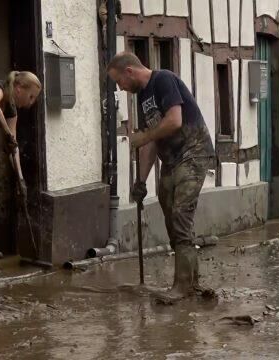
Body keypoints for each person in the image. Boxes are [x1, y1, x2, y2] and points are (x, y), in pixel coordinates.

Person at [107, 52, 216, 301]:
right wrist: (141, 181)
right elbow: (151, 142)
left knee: (180, 215)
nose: (121, 88)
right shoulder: (143, 96)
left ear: (129, 72)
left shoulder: (163, 79)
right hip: (171, 160)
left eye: (119, 82)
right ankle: (192, 282)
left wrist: (143, 136)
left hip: (193, 153)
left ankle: (182, 286)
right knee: (170, 217)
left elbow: (174, 120)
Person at [0, 71, 42, 258]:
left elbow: (14, 146)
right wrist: (6, 133)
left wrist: (20, 178)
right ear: (18, 88)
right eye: (31, 96)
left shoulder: (12, 109)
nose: (31, 103)